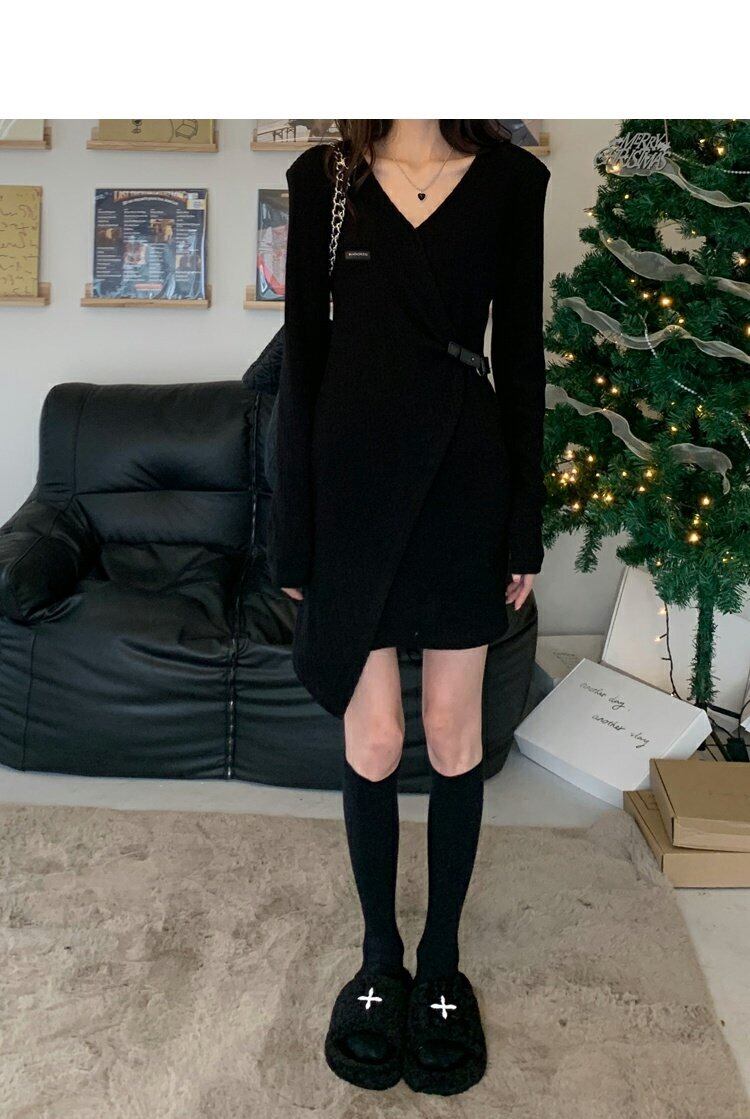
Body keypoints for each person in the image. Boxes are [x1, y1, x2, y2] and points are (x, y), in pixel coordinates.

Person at [268, 119, 550, 1096]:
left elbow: (522, 355)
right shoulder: (327, 178)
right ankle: (380, 958)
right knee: (379, 737)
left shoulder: (512, 180)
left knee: (456, 734)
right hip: (352, 484)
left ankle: (440, 964)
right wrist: (294, 531)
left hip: (465, 480)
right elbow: (301, 360)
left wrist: (525, 525)